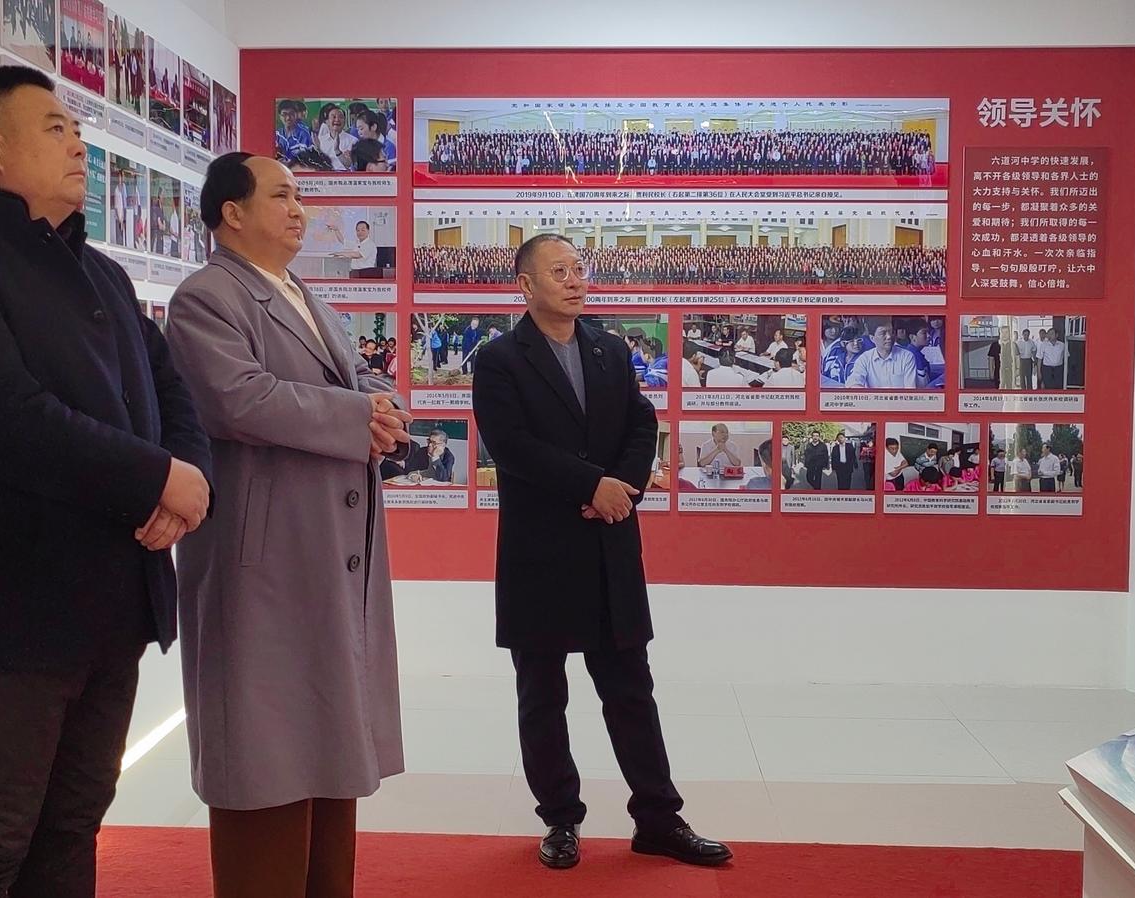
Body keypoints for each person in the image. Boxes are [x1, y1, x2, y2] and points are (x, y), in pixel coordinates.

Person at [0, 66, 215, 898]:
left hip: (113, 603)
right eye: (57, 128)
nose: (79, 145)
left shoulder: (101, 273)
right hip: (8, 609)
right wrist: (156, 480)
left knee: (71, 829)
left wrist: (187, 483)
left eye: (78, 129)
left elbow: (170, 391)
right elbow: (7, 420)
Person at [166, 151, 413, 898]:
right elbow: (239, 399)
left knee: (330, 751)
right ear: (231, 213)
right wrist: (358, 415)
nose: (299, 209)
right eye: (281, 195)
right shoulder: (206, 297)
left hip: (327, 553)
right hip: (265, 560)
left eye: (300, 195)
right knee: (265, 753)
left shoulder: (302, 294)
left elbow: (360, 378)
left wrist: (382, 408)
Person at [472, 233, 732, 871]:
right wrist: (592, 485)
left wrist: (623, 486)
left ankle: (658, 819)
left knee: (631, 689)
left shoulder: (610, 349)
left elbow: (642, 422)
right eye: (558, 271)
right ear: (526, 286)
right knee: (542, 696)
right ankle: (560, 819)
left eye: (579, 268)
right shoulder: (500, 359)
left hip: (608, 542)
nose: (575, 280)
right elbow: (510, 446)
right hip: (540, 551)